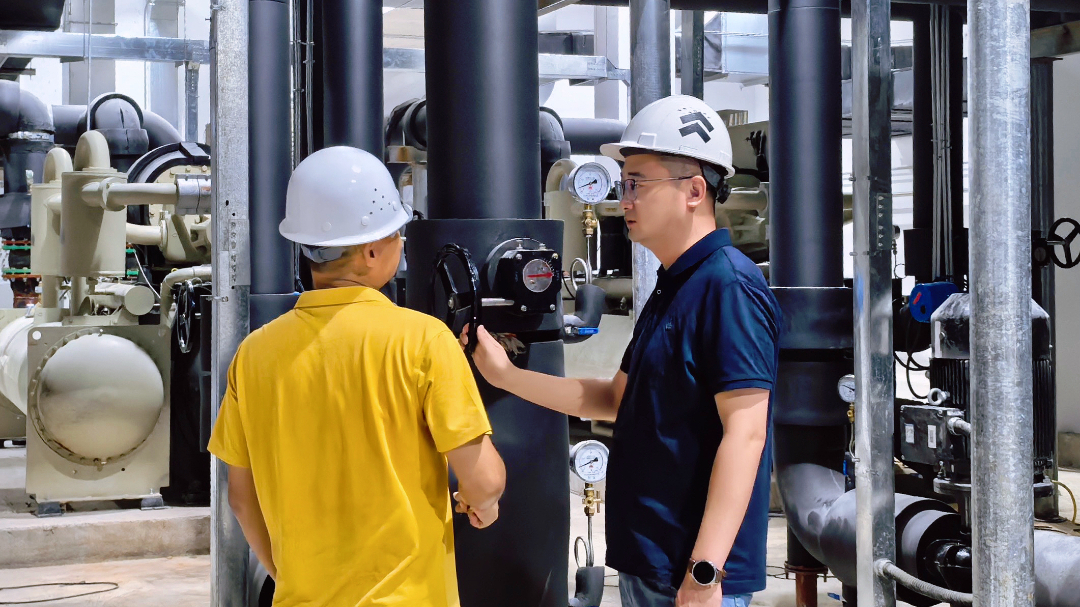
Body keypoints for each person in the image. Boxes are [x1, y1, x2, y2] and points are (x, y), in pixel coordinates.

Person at [464, 96, 780, 607]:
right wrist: (505, 376)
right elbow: (614, 400)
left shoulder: (729, 288)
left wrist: (704, 572)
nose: (623, 200)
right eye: (623, 184)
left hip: (687, 575)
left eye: (637, 183)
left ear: (694, 191)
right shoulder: (675, 285)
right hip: (648, 563)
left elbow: (746, 434)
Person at [208, 146, 506, 607]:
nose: (401, 242)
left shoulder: (254, 354)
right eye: (396, 233)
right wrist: (481, 502)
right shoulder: (423, 340)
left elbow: (242, 500)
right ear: (370, 250)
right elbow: (484, 480)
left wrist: (289, 578)